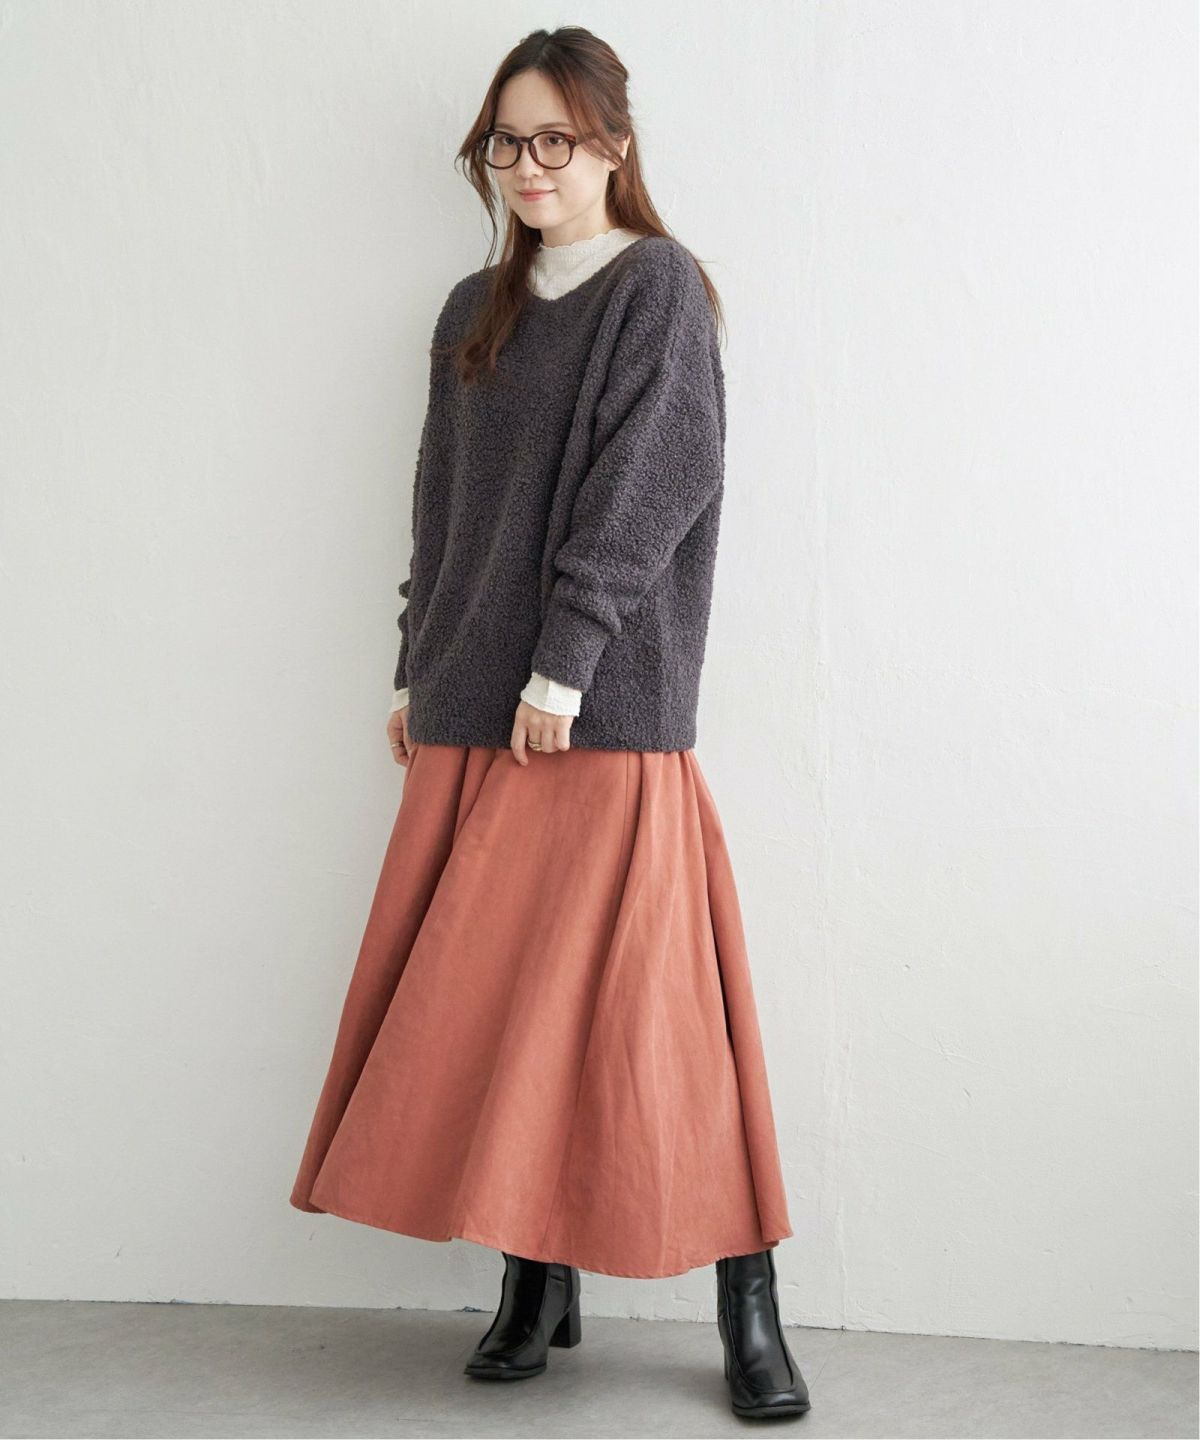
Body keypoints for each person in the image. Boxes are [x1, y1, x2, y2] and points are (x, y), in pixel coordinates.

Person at [289, 25, 810, 1422]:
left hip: (599, 713)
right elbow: (441, 504)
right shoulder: (475, 305)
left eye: (555, 140)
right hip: (473, 704)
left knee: (658, 1018)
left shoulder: (658, 290)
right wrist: (417, 668)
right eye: (505, 143)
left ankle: (749, 1301)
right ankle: (536, 1282)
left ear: (613, 145)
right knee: (502, 1016)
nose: (528, 166)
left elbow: (657, 484)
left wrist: (564, 667)